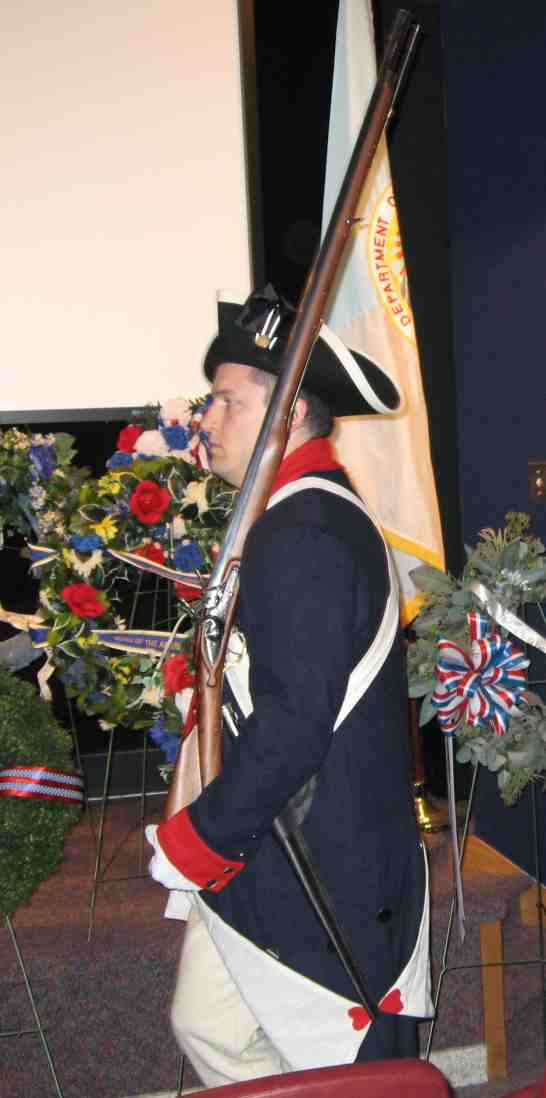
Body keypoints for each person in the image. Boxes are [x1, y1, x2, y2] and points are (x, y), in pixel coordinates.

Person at [146, 286, 432, 1086]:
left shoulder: (303, 528)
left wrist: (199, 838)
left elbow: (295, 725)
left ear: (289, 414)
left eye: (227, 403)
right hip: (277, 842)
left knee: (342, 1065)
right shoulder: (285, 516)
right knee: (208, 1025)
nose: (207, 419)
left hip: (316, 853)